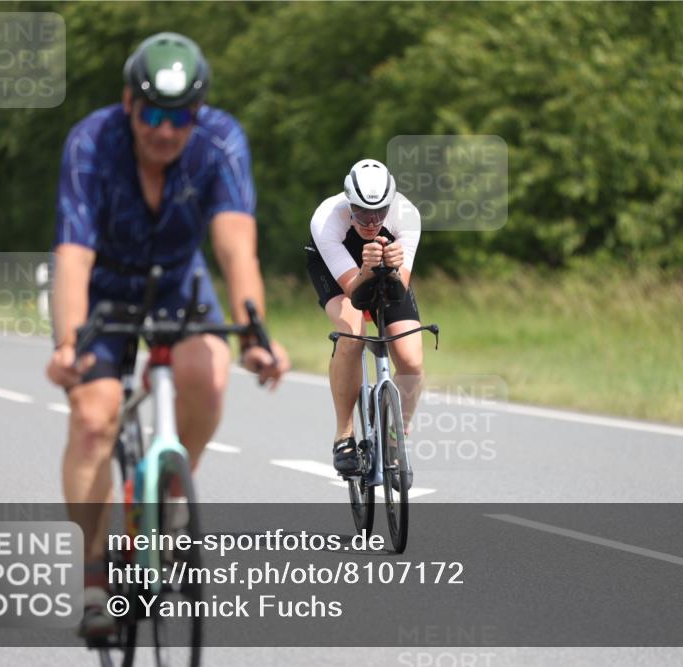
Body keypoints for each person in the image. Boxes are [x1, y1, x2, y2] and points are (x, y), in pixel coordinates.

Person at [45, 32, 289, 636]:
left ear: (197, 114)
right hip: (104, 289)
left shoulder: (221, 141)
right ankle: (95, 571)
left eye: (179, 117)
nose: (164, 130)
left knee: (207, 376)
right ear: (129, 103)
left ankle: (170, 498)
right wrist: (69, 345)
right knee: (94, 418)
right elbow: (72, 253)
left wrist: (256, 331)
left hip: (179, 282)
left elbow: (236, 247)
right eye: (151, 113)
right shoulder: (91, 143)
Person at [305, 159, 424, 480]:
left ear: (391, 205)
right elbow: (355, 294)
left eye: (380, 213)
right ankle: (344, 436)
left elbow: (399, 292)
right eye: (361, 212)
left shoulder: (407, 215)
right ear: (348, 203)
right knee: (352, 333)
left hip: (386, 264)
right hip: (337, 269)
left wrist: (394, 269)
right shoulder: (327, 219)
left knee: (411, 361)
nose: (371, 222)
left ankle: (396, 439)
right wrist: (367, 271)